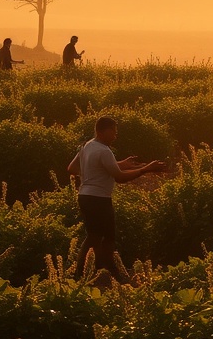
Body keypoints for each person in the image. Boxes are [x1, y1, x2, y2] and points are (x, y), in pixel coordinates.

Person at [67, 116, 166, 282]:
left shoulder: (87, 146)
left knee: (101, 236)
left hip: (85, 196)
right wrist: (146, 169)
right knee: (99, 237)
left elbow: (72, 168)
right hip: (98, 199)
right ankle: (90, 273)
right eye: (112, 131)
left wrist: (100, 171)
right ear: (101, 132)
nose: (115, 135)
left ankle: (100, 271)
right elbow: (119, 178)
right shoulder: (104, 150)